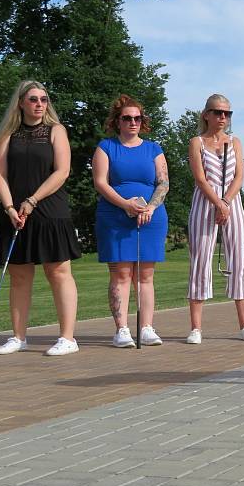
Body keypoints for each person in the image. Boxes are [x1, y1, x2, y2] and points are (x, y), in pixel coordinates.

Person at [0, 80, 82, 356]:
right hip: (15, 213)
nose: (39, 104)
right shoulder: (9, 134)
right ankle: (19, 337)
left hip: (49, 210)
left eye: (43, 99)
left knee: (58, 272)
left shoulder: (56, 131)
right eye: (33, 99)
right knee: (19, 276)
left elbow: (62, 171)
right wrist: (9, 208)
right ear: (21, 103)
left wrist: (32, 200)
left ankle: (68, 338)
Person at [92, 95, 169, 347]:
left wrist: (151, 207)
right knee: (121, 274)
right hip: (115, 216)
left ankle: (146, 327)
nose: (133, 122)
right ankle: (122, 329)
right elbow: (101, 182)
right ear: (118, 121)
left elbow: (163, 182)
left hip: (150, 218)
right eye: (127, 118)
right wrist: (125, 204)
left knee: (146, 275)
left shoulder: (153, 148)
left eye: (137, 118)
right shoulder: (106, 147)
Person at [186, 94, 244, 344]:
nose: (222, 117)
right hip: (204, 205)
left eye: (227, 113)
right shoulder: (197, 142)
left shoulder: (235, 142)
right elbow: (200, 178)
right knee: (200, 261)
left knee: (238, 261)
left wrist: (226, 202)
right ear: (206, 114)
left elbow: (239, 176)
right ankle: (196, 328)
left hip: (233, 203)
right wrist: (217, 203)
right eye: (217, 112)